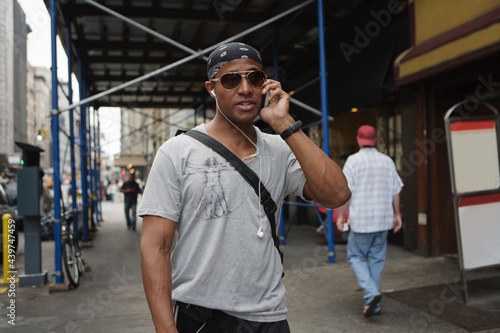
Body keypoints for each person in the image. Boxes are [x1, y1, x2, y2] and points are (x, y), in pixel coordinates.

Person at [138, 42, 351, 333]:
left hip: (270, 317)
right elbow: (156, 247)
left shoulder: (280, 148)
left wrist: (284, 123)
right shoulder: (177, 152)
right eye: (230, 79)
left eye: (255, 78)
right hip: (203, 318)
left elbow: (337, 194)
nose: (245, 88)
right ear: (211, 88)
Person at [335, 125, 403, 318]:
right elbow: (395, 190)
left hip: (361, 221)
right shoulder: (387, 161)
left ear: (358, 139)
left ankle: (372, 294)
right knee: (376, 260)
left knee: (355, 256)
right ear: (375, 140)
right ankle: (374, 303)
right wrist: (396, 215)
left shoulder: (353, 161)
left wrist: (341, 216)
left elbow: (345, 191)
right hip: (383, 220)